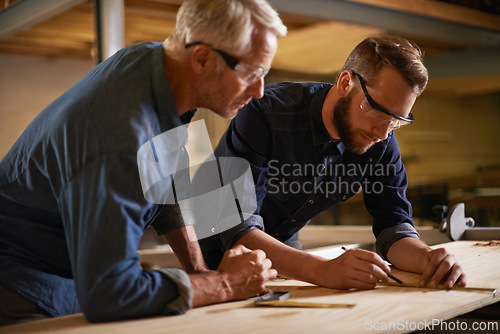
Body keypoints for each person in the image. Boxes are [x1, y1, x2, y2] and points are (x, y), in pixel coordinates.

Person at [0, 0, 287, 326]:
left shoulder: (154, 65)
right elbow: (110, 293)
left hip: (71, 275)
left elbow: (166, 178)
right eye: (251, 72)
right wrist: (225, 284)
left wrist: (198, 271)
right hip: (19, 282)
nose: (260, 91)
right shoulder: (122, 141)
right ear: (203, 58)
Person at [190, 35, 467, 291]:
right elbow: (237, 226)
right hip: (204, 248)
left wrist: (428, 259)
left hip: (280, 247)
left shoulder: (379, 140)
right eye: (379, 112)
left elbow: (393, 227)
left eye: (396, 121)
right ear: (346, 82)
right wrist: (323, 271)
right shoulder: (265, 114)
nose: (383, 133)